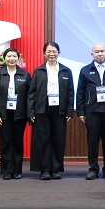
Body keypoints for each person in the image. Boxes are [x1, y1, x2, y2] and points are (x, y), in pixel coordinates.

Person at [27, 42, 75, 180]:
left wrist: (69, 111)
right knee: (42, 140)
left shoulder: (66, 71)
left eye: (54, 51)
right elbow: (32, 93)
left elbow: (71, 93)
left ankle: (55, 169)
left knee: (58, 139)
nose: (51, 54)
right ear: (44, 54)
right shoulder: (39, 71)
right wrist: (31, 112)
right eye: (49, 51)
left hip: (60, 110)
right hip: (42, 109)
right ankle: (44, 170)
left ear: (58, 53)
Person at [76, 43, 105, 180]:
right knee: (92, 142)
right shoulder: (85, 70)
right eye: (97, 51)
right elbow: (80, 92)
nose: (100, 54)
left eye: (102, 51)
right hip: (92, 112)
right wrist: (81, 112)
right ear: (92, 54)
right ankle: (93, 169)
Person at [0, 48, 30, 180]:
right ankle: (6, 170)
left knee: (17, 142)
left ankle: (17, 170)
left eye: (14, 56)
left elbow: (30, 96)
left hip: (20, 114)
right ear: (4, 59)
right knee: (6, 142)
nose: (12, 59)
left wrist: (29, 114)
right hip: (3, 115)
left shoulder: (25, 75)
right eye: (9, 56)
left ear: (18, 58)